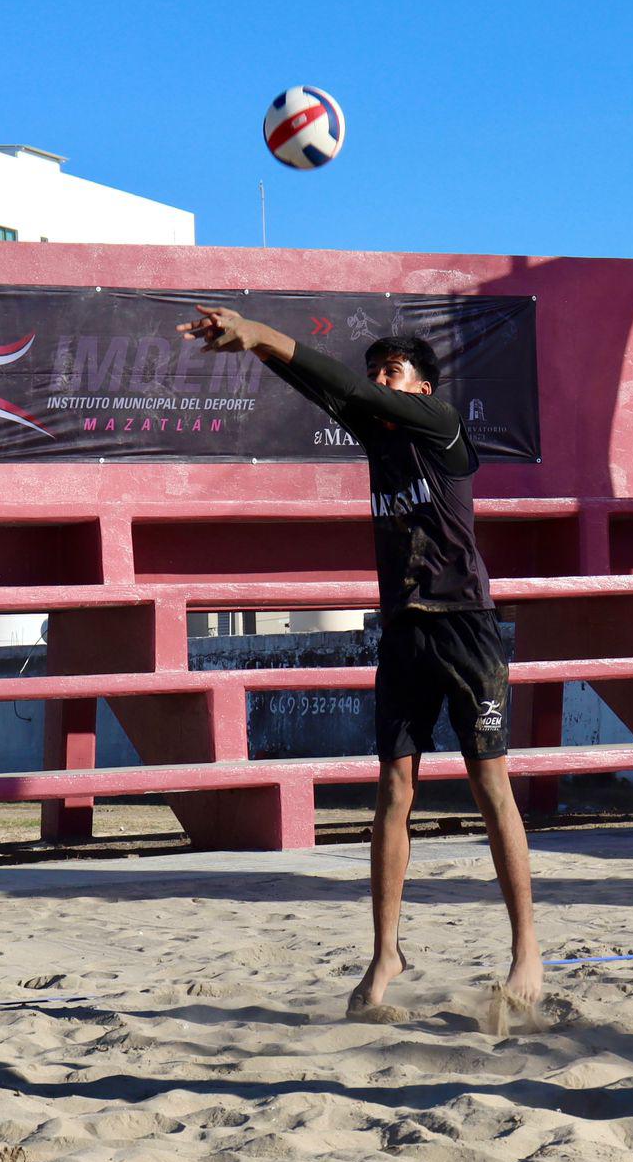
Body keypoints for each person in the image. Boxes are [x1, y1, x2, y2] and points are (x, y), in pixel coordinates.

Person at [177, 306, 542, 1010]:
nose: (378, 380)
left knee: (492, 789)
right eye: (375, 369)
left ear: (423, 389)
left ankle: (526, 950)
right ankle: (385, 958)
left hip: (466, 628)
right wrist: (253, 348)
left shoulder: (442, 428)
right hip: (405, 632)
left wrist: (259, 329)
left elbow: (346, 388)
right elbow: (325, 388)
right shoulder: (380, 443)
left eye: (392, 372)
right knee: (393, 795)